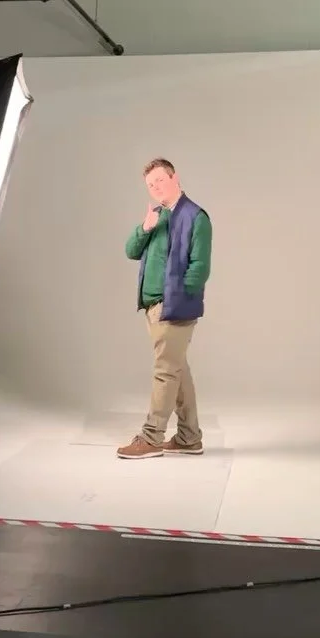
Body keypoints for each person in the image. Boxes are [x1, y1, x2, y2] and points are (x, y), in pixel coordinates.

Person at [119, 158, 212, 460]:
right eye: (150, 184)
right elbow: (131, 251)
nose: (156, 187)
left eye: (160, 180)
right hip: (152, 308)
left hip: (173, 308)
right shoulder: (156, 217)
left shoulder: (196, 217)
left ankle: (151, 437)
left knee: (164, 373)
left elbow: (200, 266)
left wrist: (179, 300)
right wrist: (145, 228)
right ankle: (189, 437)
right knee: (177, 370)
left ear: (174, 178)